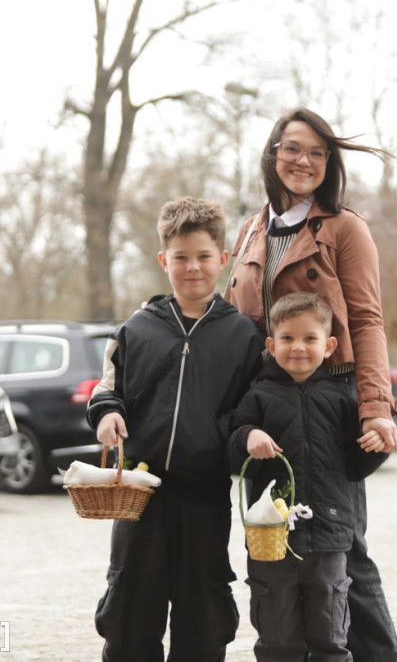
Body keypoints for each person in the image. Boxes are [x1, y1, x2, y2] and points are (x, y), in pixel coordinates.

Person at [225, 108, 397, 661]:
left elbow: (368, 320)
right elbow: (239, 325)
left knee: (343, 553)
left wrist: (376, 407)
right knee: (275, 554)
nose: (303, 161)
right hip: (268, 405)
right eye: (292, 148)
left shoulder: (346, 228)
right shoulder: (251, 230)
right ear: (272, 152)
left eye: (317, 153)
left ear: (330, 164)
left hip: (329, 399)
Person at [87, 196, 264, 662]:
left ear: (222, 260)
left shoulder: (243, 336)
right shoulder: (135, 329)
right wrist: (107, 415)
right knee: (129, 614)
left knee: (203, 616)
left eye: (204, 257)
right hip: (140, 497)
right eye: (181, 257)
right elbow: (107, 390)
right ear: (164, 260)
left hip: (204, 497)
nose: (193, 268)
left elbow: (250, 411)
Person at [227, 292, 389, 661]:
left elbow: (354, 467)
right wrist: (248, 437)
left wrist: (377, 446)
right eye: (286, 338)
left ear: (329, 345)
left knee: (330, 640)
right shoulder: (258, 398)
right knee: (277, 641)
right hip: (273, 542)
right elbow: (233, 453)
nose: (297, 347)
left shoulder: (340, 400)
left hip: (329, 540)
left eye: (309, 338)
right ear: (271, 344)